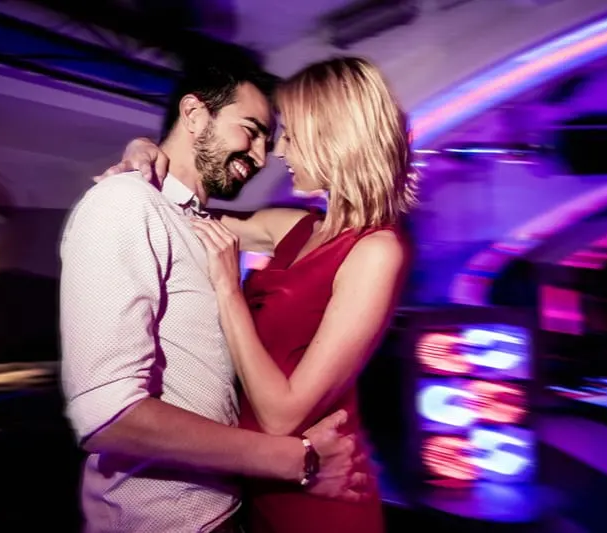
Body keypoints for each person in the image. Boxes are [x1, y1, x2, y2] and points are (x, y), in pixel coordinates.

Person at [101, 56, 416, 533]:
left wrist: (229, 290)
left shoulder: (377, 250)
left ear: (331, 135)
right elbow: (185, 214)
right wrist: (145, 151)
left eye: (289, 134)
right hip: (258, 482)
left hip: (318, 505)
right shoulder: (299, 226)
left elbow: (280, 414)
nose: (280, 150)